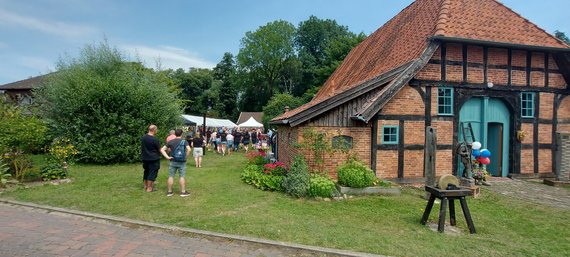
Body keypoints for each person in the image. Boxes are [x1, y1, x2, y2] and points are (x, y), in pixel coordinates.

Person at [160, 129, 191, 197]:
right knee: (182, 176)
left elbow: (162, 149)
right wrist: (186, 157)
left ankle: (169, 192)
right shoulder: (184, 141)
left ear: (175, 134)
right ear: (181, 134)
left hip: (173, 161)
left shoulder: (171, 141)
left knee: (171, 176)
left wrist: (167, 157)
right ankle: (183, 192)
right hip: (182, 162)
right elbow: (189, 149)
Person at [141, 125, 161, 192]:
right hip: (153, 159)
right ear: (154, 130)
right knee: (152, 173)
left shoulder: (143, 137)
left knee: (146, 171)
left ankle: (145, 185)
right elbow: (159, 149)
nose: (157, 131)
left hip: (145, 158)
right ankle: (149, 188)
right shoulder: (154, 139)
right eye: (157, 129)